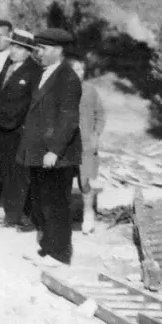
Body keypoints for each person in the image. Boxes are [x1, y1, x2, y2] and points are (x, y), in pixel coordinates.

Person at [20, 28, 83, 266]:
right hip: (39, 151)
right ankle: (46, 248)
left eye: (43, 48)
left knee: (56, 203)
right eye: (37, 48)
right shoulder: (46, 73)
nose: (39, 52)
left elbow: (69, 119)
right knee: (42, 201)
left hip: (57, 155)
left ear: (58, 50)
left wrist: (55, 150)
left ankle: (59, 254)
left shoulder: (67, 78)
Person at [0, 30, 40, 229]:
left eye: (19, 47)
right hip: (3, 129)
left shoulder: (34, 71)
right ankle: (12, 214)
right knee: (8, 172)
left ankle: (23, 216)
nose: (13, 50)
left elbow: (34, 105)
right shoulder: (9, 66)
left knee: (21, 174)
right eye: (12, 46)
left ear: (29, 51)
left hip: (20, 131)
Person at [72, 58, 106, 235]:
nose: (79, 73)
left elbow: (100, 114)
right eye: (75, 69)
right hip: (65, 144)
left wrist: (95, 135)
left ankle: (88, 213)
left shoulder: (90, 91)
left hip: (85, 144)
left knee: (84, 181)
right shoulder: (60, 90)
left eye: (81, 70)